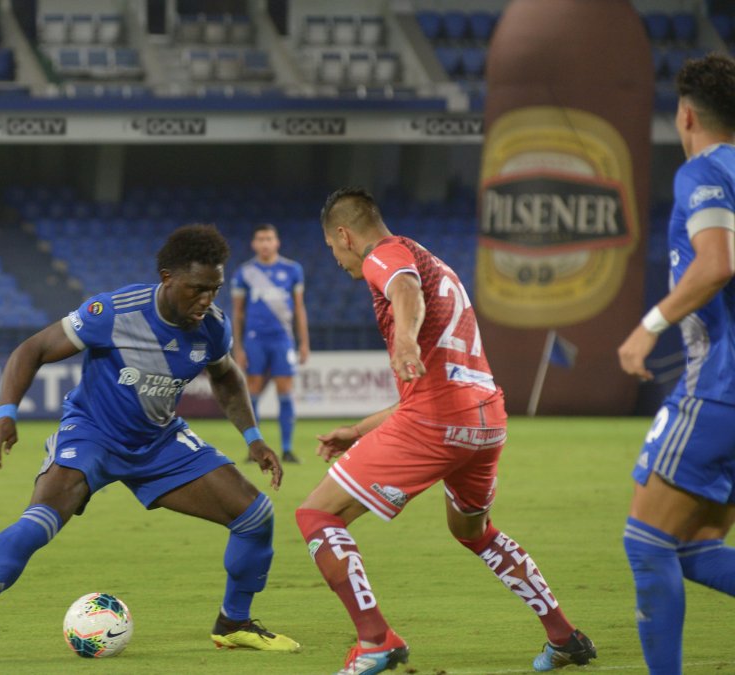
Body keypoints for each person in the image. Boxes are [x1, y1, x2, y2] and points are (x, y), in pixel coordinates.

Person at [0, 224, 299, 664]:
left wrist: (253, 439)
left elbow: (228, 378)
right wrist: (6, 413)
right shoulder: (113, 311)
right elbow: (33, 349)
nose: (206, 300)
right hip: (93, 436)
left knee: (255, 516)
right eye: (197, 289)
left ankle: (233, 623)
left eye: (214, 289)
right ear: (167, 278)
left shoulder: (212, 327)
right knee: (37, 523)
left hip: (159, 442)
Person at [296, 188, 595, 675]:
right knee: (473, 532)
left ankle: (375, 640)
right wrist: (357, 430)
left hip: (437, 422)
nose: (337, 258)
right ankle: (565, 636)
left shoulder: (385, 256)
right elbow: (429, 390)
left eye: (333, 247)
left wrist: (405, 342)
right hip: (484, 420)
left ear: (345, 235)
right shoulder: (434, 262)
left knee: (316, 515)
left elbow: (404, 290)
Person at [617, 53, 735, 675]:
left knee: (645, 542)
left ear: (685, 115)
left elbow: (716, 263)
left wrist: (648, 326)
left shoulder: (704, 171)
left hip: (718, 386)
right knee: (693, 546)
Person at [230, 224, 309, 464]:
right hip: (255, 339)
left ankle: (286, 449)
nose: (265, 243)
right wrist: (238, 347)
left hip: (282, 339)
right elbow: (238, 313)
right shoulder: (244, 273)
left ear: (277, 242)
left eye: (269, 238)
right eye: (260, 239)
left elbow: (299, 307)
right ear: (254, 244)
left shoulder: (292, 269)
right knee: (252, 389)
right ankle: (254, 449)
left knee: (285, 389)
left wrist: (304, 342)